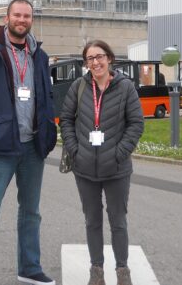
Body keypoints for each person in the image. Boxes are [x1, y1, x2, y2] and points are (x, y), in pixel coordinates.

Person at [0, 0, 58, 285]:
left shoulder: (39, 55)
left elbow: (46, 95)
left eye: (27, 15)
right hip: (0, 148)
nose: (22, 19)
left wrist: (47, 128)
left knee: (31, 213)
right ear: (7, 18)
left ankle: (29, 268)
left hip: (33, 147)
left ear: (31, 19)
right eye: (17, 15)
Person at [60, 40, 144, 285]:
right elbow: (65, 119)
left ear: (109, 58)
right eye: (90, 58)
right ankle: (96, 271)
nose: (95, 62)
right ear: (86, 63)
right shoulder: (79, 87)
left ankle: (122, 271)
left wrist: (119, 153)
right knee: (92, 221)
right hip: (84, 169)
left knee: (118, 221)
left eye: (99, 56)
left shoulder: (125, 87)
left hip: (117, 168)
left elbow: (136, 123)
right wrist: (75, 151)